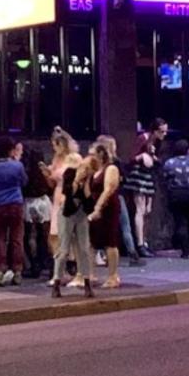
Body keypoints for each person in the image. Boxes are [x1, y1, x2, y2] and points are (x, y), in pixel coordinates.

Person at [0, 137, 27, 287]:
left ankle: (0, 271)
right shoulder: (17, 166)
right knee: (17, 239)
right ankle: (17, 271)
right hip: (16, 204)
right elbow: (24, 182)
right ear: (10, 150)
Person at [51, 156, 96, 298]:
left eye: (89, 169)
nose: (86, 171)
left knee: (84, 248)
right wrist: (77, 181)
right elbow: (68, 197)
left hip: (81, 214)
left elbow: (90, 207)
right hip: (67, 214)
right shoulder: (70, 173)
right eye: (85, 167)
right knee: (63, 250)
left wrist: (87, 184)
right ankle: (56, 282)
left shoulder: (90, 180)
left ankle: (87, 282)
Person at [123, 119, 163, 259]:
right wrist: (142, 156)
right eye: (161, 131)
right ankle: (140, 244)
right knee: (140, 209)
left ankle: (144, 242)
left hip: (148, 174)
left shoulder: (156, 142)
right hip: (139, 175)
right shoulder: (143, 138)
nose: (163, 134)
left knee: (147, 210)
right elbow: (131, 158)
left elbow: (154, 158)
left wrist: (154, 158)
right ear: (154, 130)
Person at [87, 138, 124, 288]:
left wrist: (98, 207)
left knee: (110, 242)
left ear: (101, 154)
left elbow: (108, 190)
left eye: (92, 154)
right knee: (91, 242)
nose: (90, 158)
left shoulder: (111, 168)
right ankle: (90, 274)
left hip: (108, 209)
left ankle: (113, 276)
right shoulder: (95, 171)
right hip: (94, 208)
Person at [46, 127, 83, 256]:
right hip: (57, 195)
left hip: (69, 195)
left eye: (56, 145)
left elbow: (80, 179)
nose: (54, 148)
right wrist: (47, 174)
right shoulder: (56, 159)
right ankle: (59, 263)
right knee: (55, 232)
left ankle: (73, 263)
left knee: (70, 232)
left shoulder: (75, 158)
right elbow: (52, 183)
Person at [20, 146, 53, 278]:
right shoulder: (43, 171)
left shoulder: (25, 170)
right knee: (44, 235)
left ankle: (34, 265)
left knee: (29, 235)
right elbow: (50, 188)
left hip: (29, 202)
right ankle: (47, 262)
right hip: (43, 202)